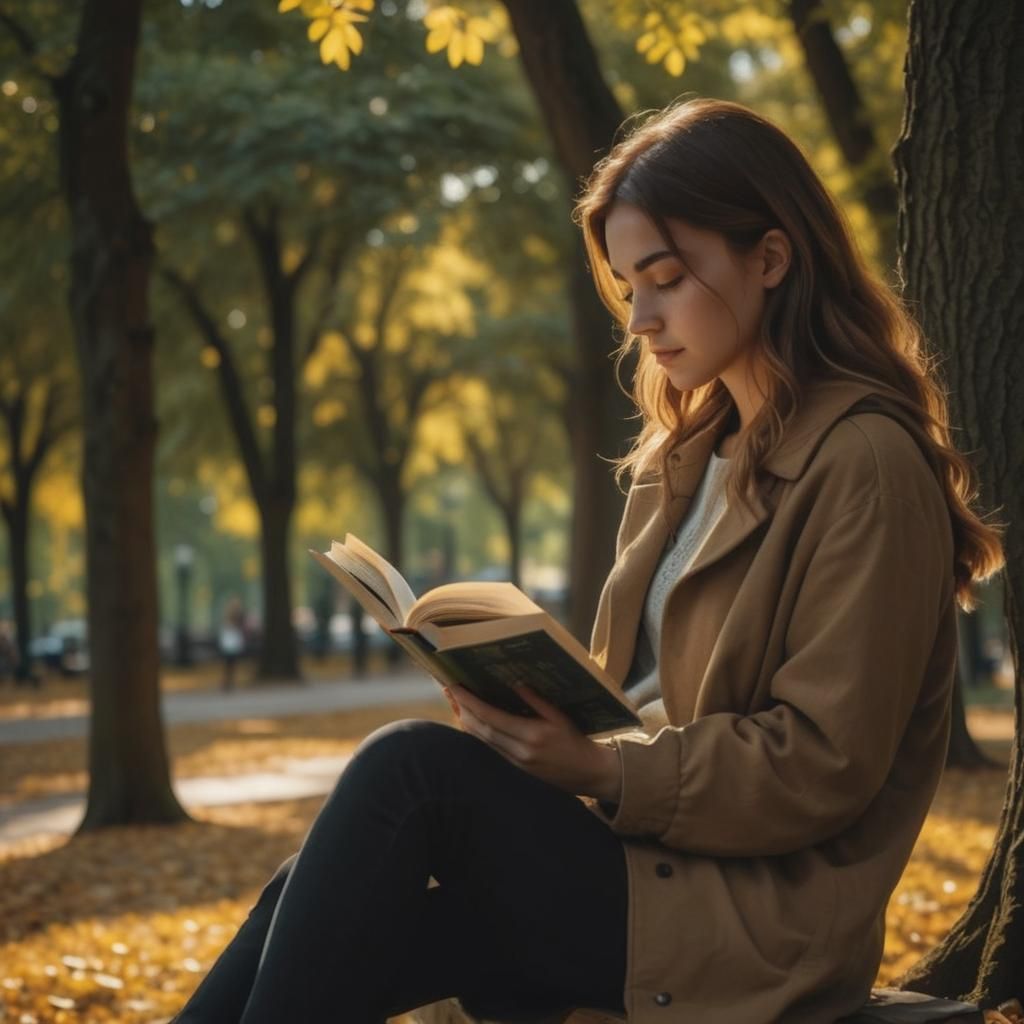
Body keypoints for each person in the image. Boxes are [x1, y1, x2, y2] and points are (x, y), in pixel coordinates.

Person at [170, 96, 1005, 1024]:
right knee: (330, 887)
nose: (641, 318)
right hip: (638, 863)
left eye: (666, 278)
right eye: (626, 286)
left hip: (749, 926)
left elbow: (823, 763)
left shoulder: (865, 462)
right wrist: (522, 720)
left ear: (770, 258)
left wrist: (604, 771)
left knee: (408, 773)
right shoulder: (680, 459)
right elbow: (632, 701)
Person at [218, 596, 247, 693]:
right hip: (231, 641)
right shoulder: (232, 617)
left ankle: (228, 683)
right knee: (230, 664)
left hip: (231, 642)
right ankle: (227, 683)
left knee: (229, 664)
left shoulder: (232, 616)